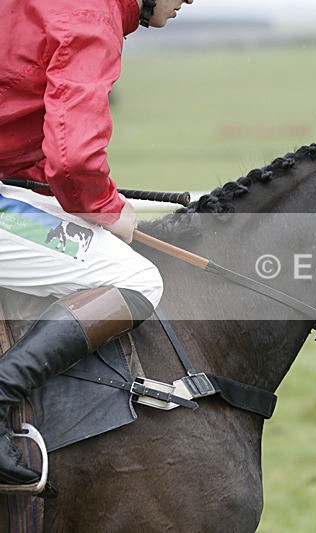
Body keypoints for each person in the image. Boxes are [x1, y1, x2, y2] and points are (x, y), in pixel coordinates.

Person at [0, 0, 195, 487]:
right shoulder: (89, 16)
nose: (191, 0)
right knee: (135, 276)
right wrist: (108, 208)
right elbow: (74, 164)